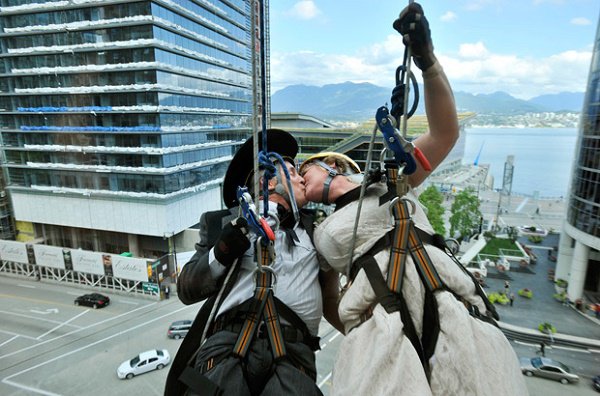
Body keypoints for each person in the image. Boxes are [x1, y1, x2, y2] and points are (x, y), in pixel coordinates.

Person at [298, 3, 527, 395]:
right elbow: (329, 298)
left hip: (446, 299)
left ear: (331, 165)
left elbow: (443, 134)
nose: (300, 179)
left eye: (305, 171)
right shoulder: (317, 230)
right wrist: (360, 327)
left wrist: (427, 61)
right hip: (382, 327)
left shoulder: (393, 181)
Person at [165, 129, 342, 396]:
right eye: (293, 172)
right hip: (226, 347)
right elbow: (187, 289)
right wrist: (228, 244)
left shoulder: (319, 229)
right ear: (269, 182)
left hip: (294, 354)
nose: (301, 178)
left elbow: (331, 297)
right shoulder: (222, 225)